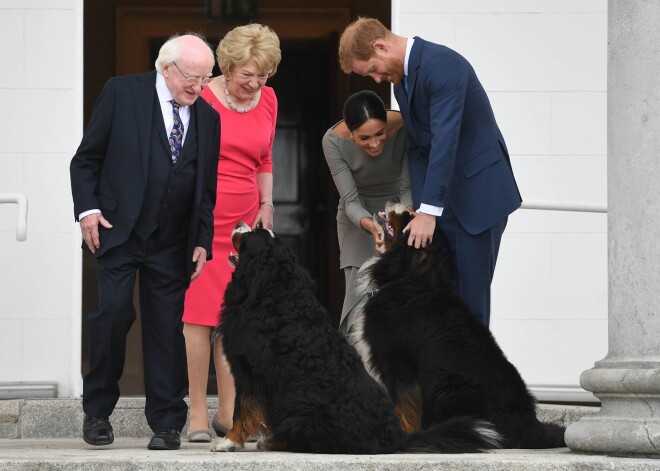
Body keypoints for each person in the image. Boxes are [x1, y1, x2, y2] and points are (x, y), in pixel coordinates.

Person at [70, 34, 220, 450]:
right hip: (119, 231)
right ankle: (97, 412)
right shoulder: (122, 92)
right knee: (114, 314)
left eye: (207, 79)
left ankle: (167, 422)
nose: (200, 87)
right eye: (193, 78)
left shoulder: (209, 117)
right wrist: (88, 210)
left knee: (167, 329)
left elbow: (206, 190)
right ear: (167, 68)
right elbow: (86, 159)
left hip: (173, 240)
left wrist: (201, 240)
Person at [338, 17, 522, 327]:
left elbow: (444, 141)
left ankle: (473, 376)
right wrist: (419, 207)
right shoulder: (402, 81)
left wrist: (428, 212)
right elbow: (419, 148)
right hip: (442, 201)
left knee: (471, 307)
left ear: (380, 47)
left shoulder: (443, 66)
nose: (377, 79)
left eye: (372, 69)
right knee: (440, 303)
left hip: (478, 197)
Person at [182, 23, 280, 443]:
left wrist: (267, 205)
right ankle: (198, 413)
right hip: (202, 215)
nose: (254, 84)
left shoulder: (269, 99)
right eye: (247, 75)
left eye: (262, 76)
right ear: (228, 65)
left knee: (232, 316)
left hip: (243, 219)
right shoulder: (202, 95)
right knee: (197, 317)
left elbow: (265, 159)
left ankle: (230, 411)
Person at [322, 90, 412, 335]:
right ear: (351, 134)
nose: (375, 143)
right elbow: (349, 200)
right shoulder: (332, 141)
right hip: (358, 219)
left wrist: (403, 219)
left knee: (400, 294)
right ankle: (358, 369)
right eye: (364, 138)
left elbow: (407, 188)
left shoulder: (404, 125)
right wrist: (372, 226)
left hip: (400, 209)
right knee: (360, 297)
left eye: (380, 133)